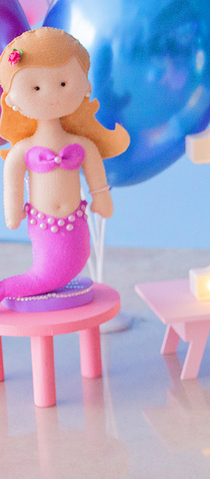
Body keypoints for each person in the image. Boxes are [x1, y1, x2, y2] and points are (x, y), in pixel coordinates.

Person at [0, 27, 129, 303]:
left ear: (83, 85)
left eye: (62, 84)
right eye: (35, 87)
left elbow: (94, 168)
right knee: (45, 274)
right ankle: (7, 289)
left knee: (74, 260)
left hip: (77, 223)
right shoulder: (23, 150)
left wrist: (101, 197)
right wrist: (12, 211)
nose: (51, 95)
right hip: (44, 225)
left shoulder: (82, 144)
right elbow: (12, 177)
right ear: (12, 99)